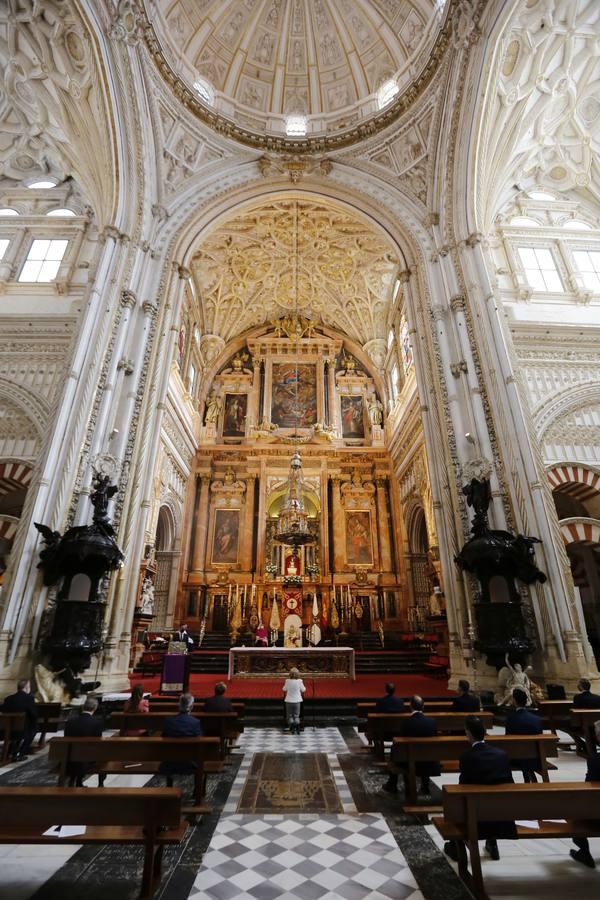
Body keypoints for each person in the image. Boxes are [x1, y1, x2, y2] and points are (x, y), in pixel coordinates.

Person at [445, 715, 516, 862]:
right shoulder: (502, 755)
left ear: (469, 733)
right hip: (501, 814)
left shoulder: (467, 757)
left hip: (475, 813)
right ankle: (492, 841)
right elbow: (510, 783)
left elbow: (462, 786)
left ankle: (455, 846)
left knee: (456, 803)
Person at [383, 696, 440, 795]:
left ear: (411, 707)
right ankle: (425, 786)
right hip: (429, 761)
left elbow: (400, 743)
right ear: (423, 707)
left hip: (410, 760)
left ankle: (392, 784)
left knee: (396, 749)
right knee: (425, 751)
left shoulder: (406, 722)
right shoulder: (432, 722)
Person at [570, 720, 600, 869]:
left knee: (574, 808)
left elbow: (589, 788)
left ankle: (584, 850)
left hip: (597, 818)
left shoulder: (595, 760)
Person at [160, 693, 203, 788]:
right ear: (191, 706)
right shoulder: (195, 722)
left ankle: (169, 787)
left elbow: (163, 738)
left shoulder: (168, 721)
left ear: (179, 705)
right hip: (189, 763)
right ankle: (197, 792)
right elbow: (200, 740)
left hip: (169, 762)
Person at [64, 696, 105, 787]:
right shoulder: (96, 723)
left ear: (83, 707)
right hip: (88, 759)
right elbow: (98, 743)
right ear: (95, 708)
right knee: (103, 757)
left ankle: (75, 780)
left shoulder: (70, 722)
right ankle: (101, 784)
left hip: (70, 757)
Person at [504, 687, 543, 782]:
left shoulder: (511, 719)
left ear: (514, 701)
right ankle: (529, 776)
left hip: (517, 757)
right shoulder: (536, 718)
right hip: (536, 757)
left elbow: (507, 739)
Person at [2, 678, 38, 760]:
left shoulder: (8, 699)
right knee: (34, 728)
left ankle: (11, 751)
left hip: (6, 730)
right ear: (26, 688)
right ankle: (21, 753)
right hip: (22, 730)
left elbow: (3, 711)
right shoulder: (29, 698)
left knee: (18, 730)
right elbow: (34, 715)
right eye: (29, 687)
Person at [283, 667, 305, 734]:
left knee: (289, 715)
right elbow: (303, 690)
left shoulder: (287, 681)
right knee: (296, 715)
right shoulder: (300, 681)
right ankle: (297, 727)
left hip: (289, 701)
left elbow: (284, 689)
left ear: (290, 674)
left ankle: (291, 727)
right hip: (297, 701)